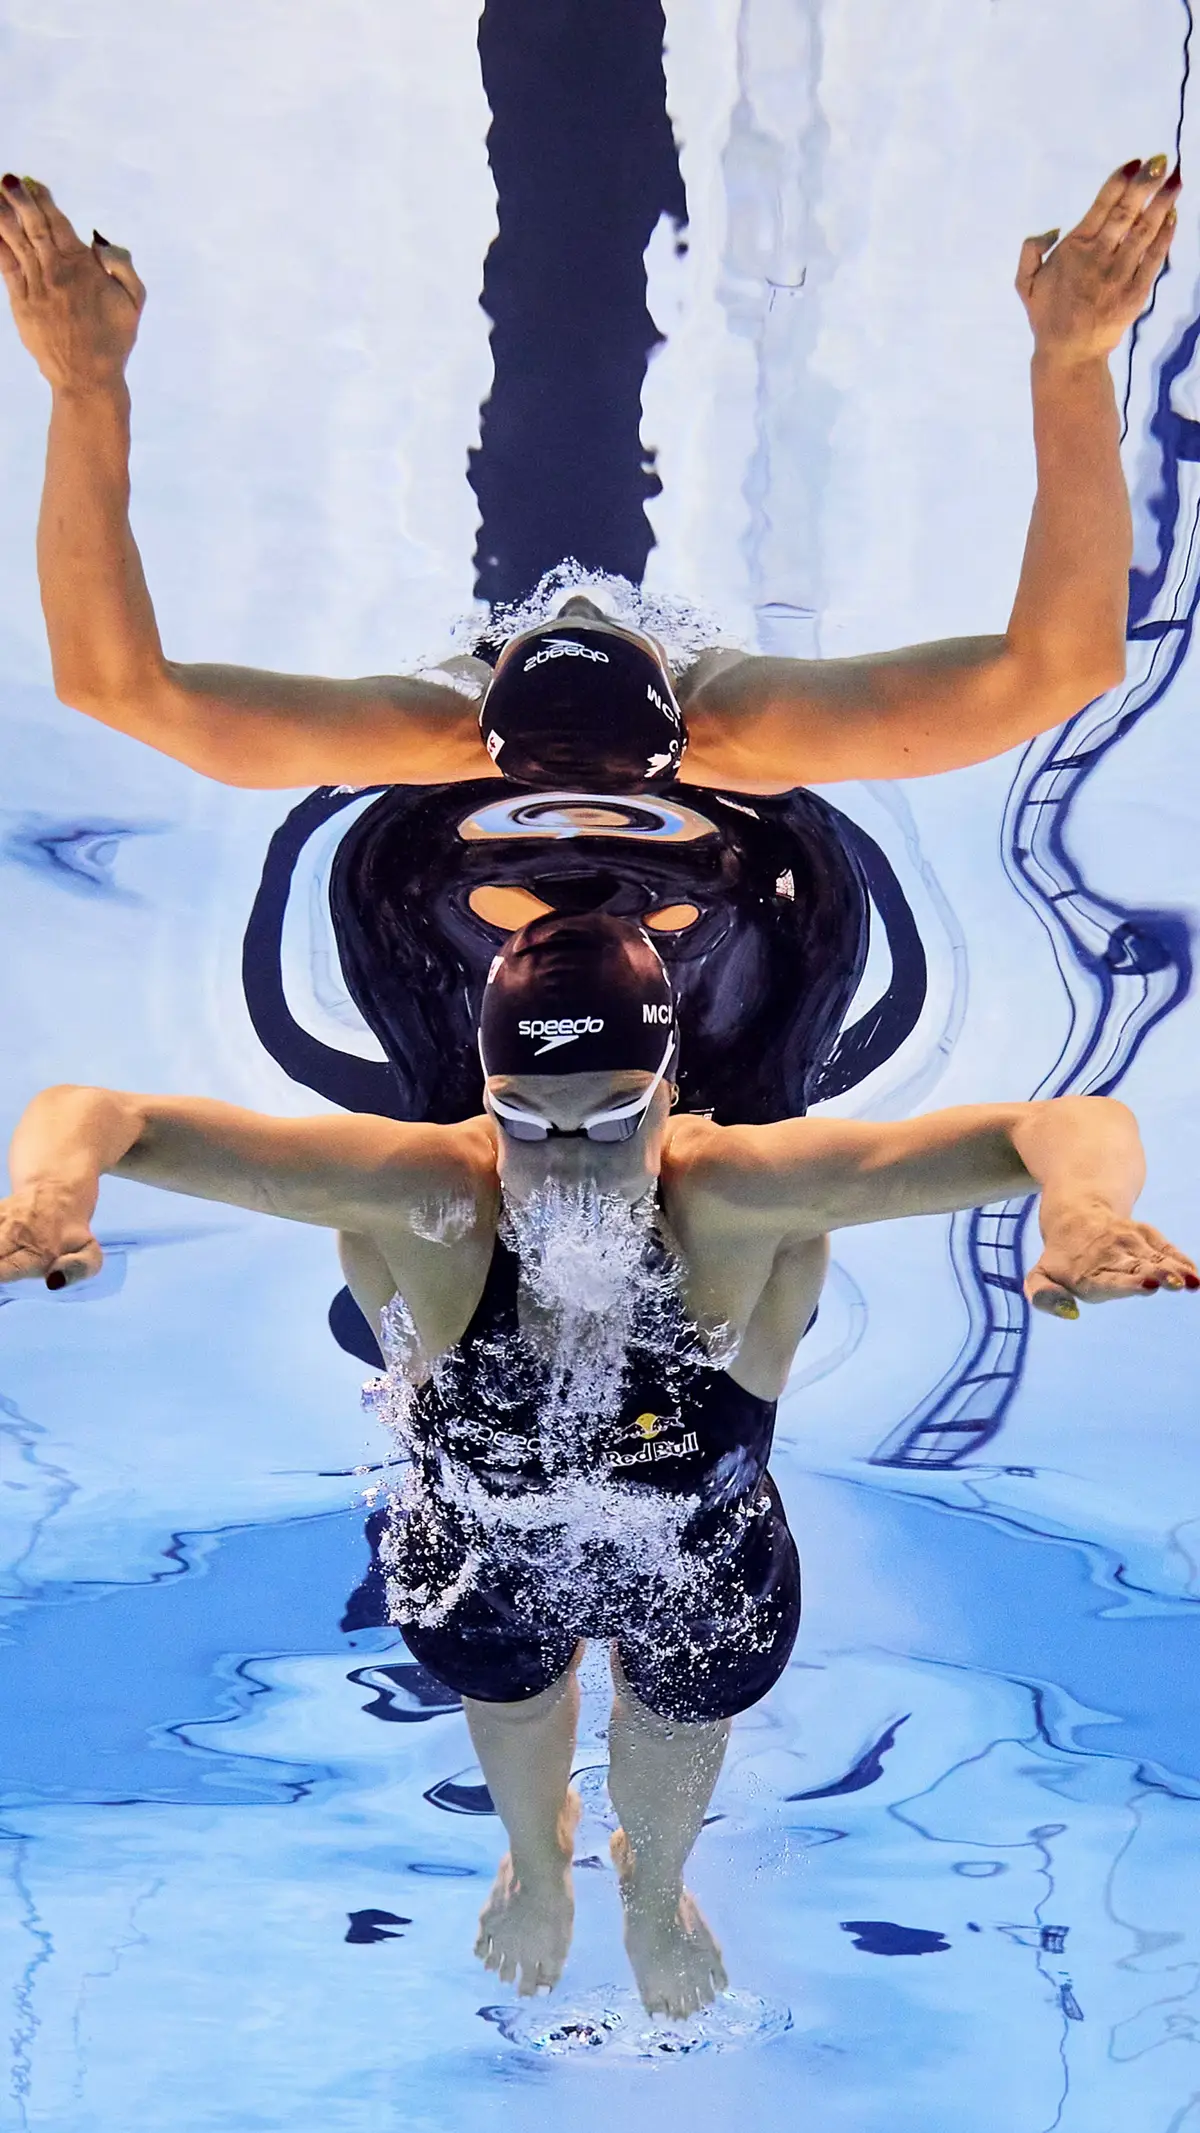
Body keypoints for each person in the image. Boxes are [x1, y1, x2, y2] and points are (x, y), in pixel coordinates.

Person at [3, 912, 1194, 2018]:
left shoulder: (733, 1196)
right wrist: (54, 1190)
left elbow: (1063, 1121)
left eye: (615, 1118)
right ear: (484, 1099)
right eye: (526, 1119)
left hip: (703, 1551)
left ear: (672, 1095)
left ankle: (650, 1880)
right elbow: (102, 1110)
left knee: (677, 1719)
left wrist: (1081, 1211)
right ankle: (535, 1858)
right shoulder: (429, 1197)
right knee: (503, 1688)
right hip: (479, 1546)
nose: (569, 1157)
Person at [0, 156, 1178, 795]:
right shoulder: (746, 726)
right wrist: (1071, 362)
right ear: (679, 680)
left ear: (483, 683)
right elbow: (1063, 666)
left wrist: (81, 386)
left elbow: (114, 688)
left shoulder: (429, 732)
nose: (577, 596)